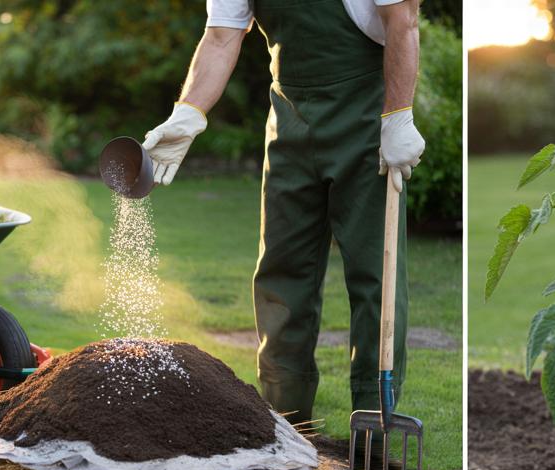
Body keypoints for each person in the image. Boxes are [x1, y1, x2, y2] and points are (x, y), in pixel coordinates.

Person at [143, 0, 425, 426]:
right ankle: (286, 418)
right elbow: (221, 36)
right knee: (280, 268)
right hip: (290, 117)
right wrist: (188, 112)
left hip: (368, 112)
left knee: (375, 274)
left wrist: (398, 115)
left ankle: (375, 422)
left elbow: (403, 19)